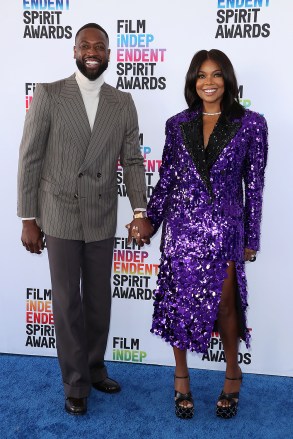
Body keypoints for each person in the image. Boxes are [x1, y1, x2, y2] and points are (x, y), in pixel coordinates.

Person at [17, 22, 153, 415]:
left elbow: (131, 160)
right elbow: (30, 158)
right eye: (85, 45)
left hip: (100, 211)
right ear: (75, 51)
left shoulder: (122, 102)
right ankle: (75, 384)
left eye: (100, 46)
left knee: (97, 299)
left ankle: (93, 367)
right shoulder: (50, 94)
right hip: (58, 212)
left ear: (110, 55)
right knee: (66, 301)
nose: (92, 51)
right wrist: (28, 217)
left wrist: (140, 210)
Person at [147, 49, 268, 419]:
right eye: (201, 75)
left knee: (226, 305)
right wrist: (150, 219)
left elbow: (255, 185)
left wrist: (251, 238)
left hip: (224, 230)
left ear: (227, 80)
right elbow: (167, 179)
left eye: (216, 74)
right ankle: (181, 376)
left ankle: (233, 374)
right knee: (179, 303)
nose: (209, 82)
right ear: (192, 81)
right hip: (182, 229)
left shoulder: (251, 124)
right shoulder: (176, 123)